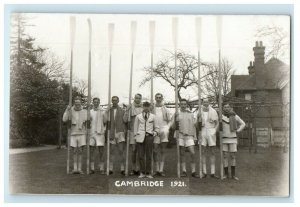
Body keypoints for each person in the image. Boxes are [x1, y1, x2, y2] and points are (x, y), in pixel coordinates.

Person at [171, 99, 199, 178]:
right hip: (180, 135)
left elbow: (195, 126)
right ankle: (184, 171)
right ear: (179, 105)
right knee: (182, 154)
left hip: (189, 135)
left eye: (184, 104)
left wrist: (195, 137)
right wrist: (175, 119)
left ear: (186, 105)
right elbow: (173, 127)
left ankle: (193, 171)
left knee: (193, 153)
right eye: (182, 104)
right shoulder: (177, 114)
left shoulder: (191, 114)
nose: (183, 105)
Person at [134, 101, 159, 178]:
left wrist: (153, 134)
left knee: (149, 155)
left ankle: (148, 173)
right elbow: (135, 128)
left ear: (150, 107)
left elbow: (157, 127)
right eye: (144, 106)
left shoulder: (153, 116)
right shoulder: (138, 116)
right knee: (141, 155)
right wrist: (136, 136)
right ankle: (142, 172)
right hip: (140, 137)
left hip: (149, 137)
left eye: (147, 106)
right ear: (142, 107)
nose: (146, 108)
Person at [63, 96, 88, 174]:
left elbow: (89, 120)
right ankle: (75, 168)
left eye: (79, 103)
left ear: (81, 103)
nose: (77, 104)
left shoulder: (84, 111)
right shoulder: (70, 110)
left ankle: (79, 169)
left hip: (82, 133)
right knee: (74, 151)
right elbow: (64, 119)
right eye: (76, 103)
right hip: (73, 133)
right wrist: (67, 110)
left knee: (80, 151)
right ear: (74, 103)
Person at [222, 102, 246, 180]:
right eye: (225, 107)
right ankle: (225, 174)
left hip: (233, 138)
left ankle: (233, 175)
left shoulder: (235, 116)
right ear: (223, 108)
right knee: (225, 156)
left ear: (230, 108)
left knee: (232, 156)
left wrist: (238, 131)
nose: (226, 108)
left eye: (227, 107)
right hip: (224, 139)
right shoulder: (221, 116)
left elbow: (243, 124)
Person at [152, 93, 172, 177]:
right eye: (157, 97)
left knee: (163, 150)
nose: (158, 99)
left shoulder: (166, 109)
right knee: (155, 150)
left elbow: (171, 120)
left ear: (162, 98)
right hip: (155, 130)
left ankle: (161, 169)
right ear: (155, 98)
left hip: (164, 129)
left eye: (160, 97)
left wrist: (167, 127)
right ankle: (156, 169)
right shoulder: (151, 109)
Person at [123, 93, 143, 176]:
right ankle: (133, 168)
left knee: (140, 151)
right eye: (136, 98)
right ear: (134, 98)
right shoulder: (130, 107)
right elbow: (124, 120)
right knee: (134, 151)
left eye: (139, 98)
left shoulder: (143, 108)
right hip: (132, 131)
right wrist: (127, 111)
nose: (137, 99)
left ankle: (139, 169)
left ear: (141, 99)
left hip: (141, 132)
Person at [199, 98, 219, 178]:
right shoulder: (199, 111)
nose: (205, 103)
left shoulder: (213, 111)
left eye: (207, 101)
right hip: (203, 130)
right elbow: (196, 122)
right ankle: (204, 172)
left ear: (209, 102)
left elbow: (217, 123)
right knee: (202, 151)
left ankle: (213, 172)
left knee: (212, 151)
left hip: (211, 130)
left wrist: (214, 130)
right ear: (202, 102)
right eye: (204, 102)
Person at [107, 96, 127, 175]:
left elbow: (125, 121)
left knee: (121, 151)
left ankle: (122, 168)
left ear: (118, 101)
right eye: (113, 100)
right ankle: (110, 168)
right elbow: (105, 120)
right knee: (111, 151)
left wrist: (127, 111)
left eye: (116, 100)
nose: (114, 102)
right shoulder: (109, 110)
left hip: (120, 132)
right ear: (112, 101)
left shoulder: (122, 110)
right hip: (112, 132)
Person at [89, 97, 107, 174]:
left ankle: (101, 168)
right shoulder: (90, 112)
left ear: (99, 102)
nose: (96, 103)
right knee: (91, 151)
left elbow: (105, 122)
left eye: (97, 102)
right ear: (93, 103)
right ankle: (92, 168)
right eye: (94, 102)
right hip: (92, 133)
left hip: (100, 133)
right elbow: (88, 122)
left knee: (101, 151)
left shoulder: (103, 111)